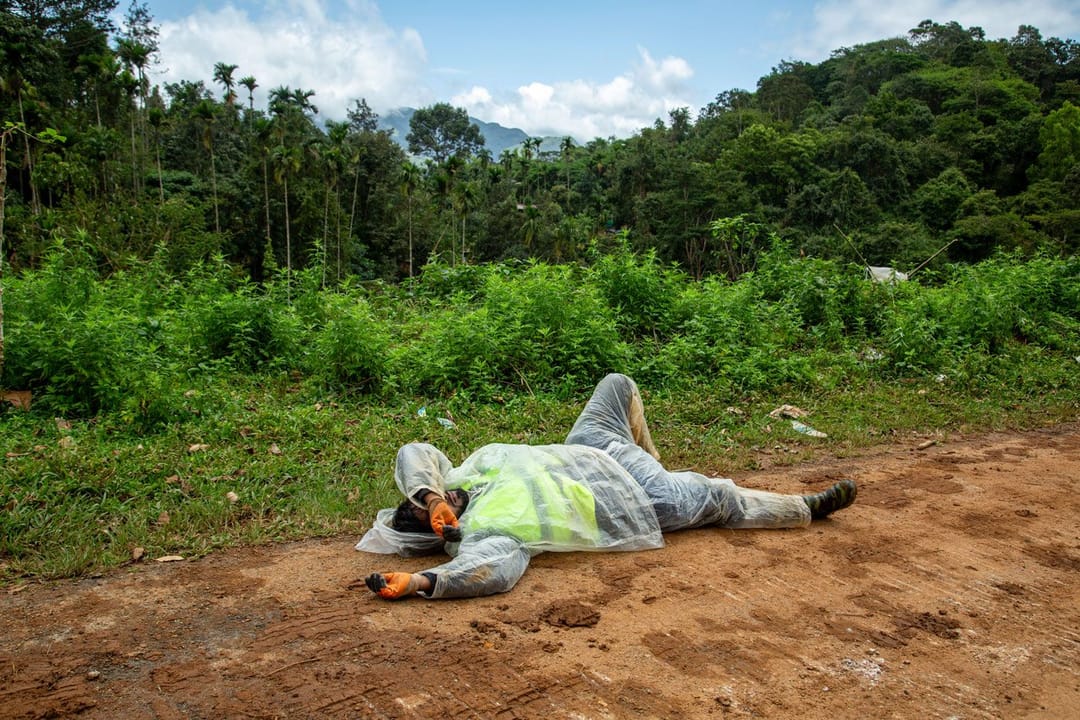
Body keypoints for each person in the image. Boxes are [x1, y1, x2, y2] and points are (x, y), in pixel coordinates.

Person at [357, 373, 856, 600]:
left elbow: (414, 451)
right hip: (635, 499)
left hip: (592, 448)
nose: (450, 509)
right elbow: (492, 573)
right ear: (446, 535)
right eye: (439, 520)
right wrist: (426, 581)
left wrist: (431, 496)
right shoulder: (487, 533)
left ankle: (658, 461)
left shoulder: (457, 480)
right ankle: (803, 508)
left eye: (439, 505)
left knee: (618, 384)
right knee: (714, 496)